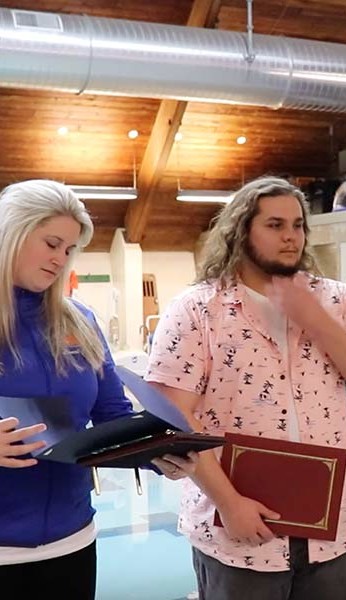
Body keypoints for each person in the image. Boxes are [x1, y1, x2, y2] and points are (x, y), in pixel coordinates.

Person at [145, 176, 346, 600]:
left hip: (331, 534)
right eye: (275, 225)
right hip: (239, 534)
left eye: (298, 225)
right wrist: (227, 501)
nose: (291, 237)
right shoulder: (198, 309)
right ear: (242, 232)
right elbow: (170, 411)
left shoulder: (334, 300)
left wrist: (313, 318)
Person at [0, 180, 193, 599]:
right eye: (51, 243)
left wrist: (159, 451)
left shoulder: (79, 321)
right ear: (11, 231)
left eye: (69, 250)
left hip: (72, 540)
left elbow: (112, 415)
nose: (60, 260)